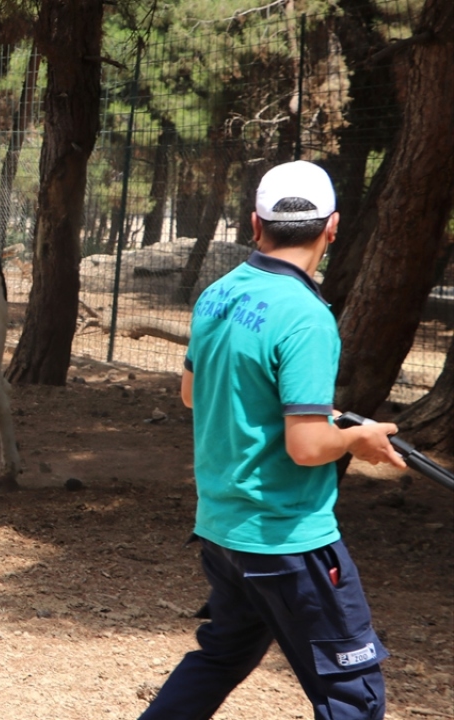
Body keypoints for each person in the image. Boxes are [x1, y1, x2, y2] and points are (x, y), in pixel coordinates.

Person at [140, 161, 405, 720]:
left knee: (219, 658)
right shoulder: (307, 316)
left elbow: (194, 393)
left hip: (224, 533)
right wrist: (357, 438)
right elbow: (307, 448)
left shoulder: (218, 293)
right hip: (290, 541)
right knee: (353, 695)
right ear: (332, 228)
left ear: (254, 224)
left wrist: (289, 403)